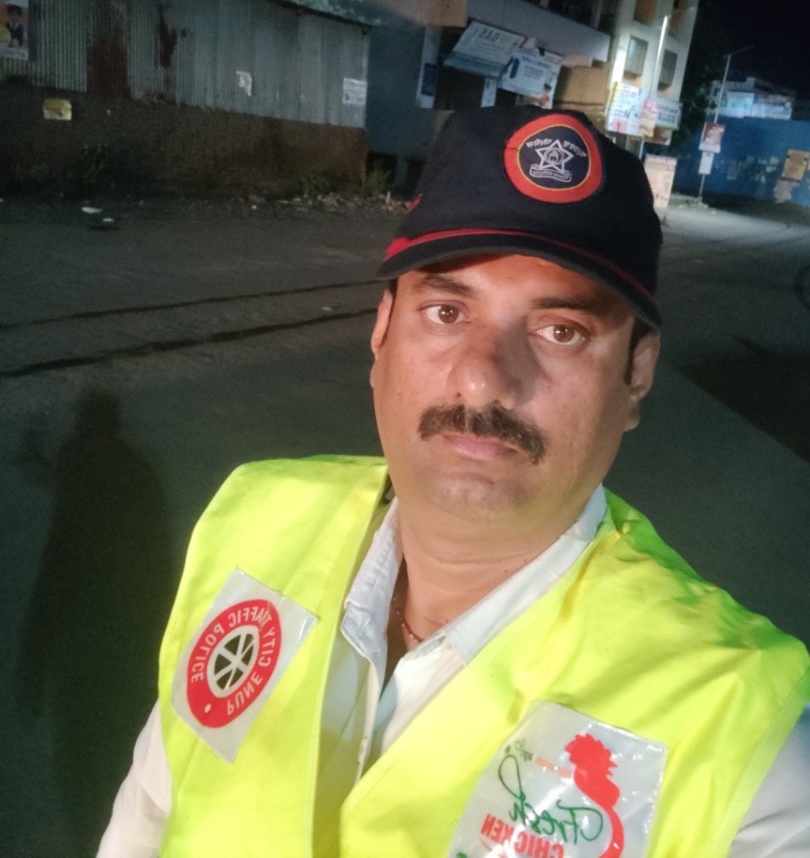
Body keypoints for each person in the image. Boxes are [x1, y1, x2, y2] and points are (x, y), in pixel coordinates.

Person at [98, 108, 810, 857]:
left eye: (560, 331)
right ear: (381, 333)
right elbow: (154, 805)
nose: (482, 379)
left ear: (636, 375)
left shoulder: (740, 750)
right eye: (446, 312)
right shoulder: (258, 521)